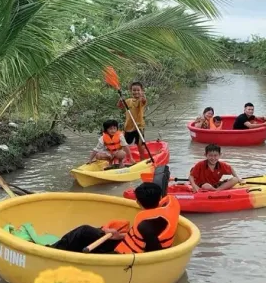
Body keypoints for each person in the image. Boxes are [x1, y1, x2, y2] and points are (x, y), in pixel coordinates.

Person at [49, 176, 180, 254]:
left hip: (122, 254)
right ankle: (59, 248)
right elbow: (142, 238)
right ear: (160, 198)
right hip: (125, 242)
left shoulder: (146, 225)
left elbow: (154, 253)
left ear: (138, 202)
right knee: (88, 231)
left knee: (83, 233)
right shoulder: (163, 212)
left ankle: (53, 251)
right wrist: (119, 236)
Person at [117, 82, 147, 161]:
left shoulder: (141, 100)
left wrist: (142, 96)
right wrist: (120, 100)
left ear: (141, 91)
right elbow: (119, 106)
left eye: (138, 90)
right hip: (128, 127)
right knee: (123, 144)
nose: (136, 92)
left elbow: (143, 101)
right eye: (134, 90)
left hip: (139, 126)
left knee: (140, 145)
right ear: (131, 91)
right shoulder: (128, 101)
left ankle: (142, 160)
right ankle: (121, 160)